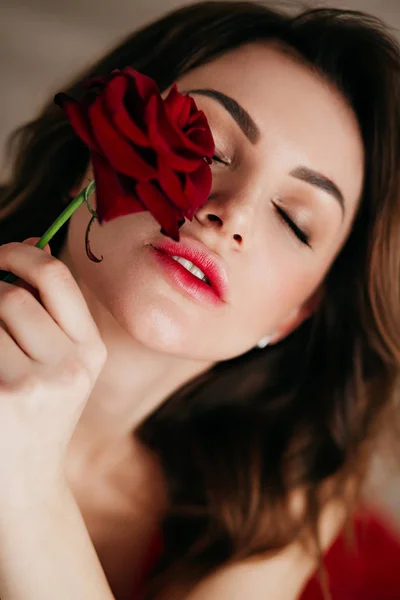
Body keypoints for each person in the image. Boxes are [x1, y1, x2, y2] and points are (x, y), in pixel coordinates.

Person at [0, 1, 399, 599]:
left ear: (296, 315)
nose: (231, 215)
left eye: (295, 221)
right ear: (90, 145)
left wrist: (24, 481)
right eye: (208, 148)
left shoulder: (284, 518)